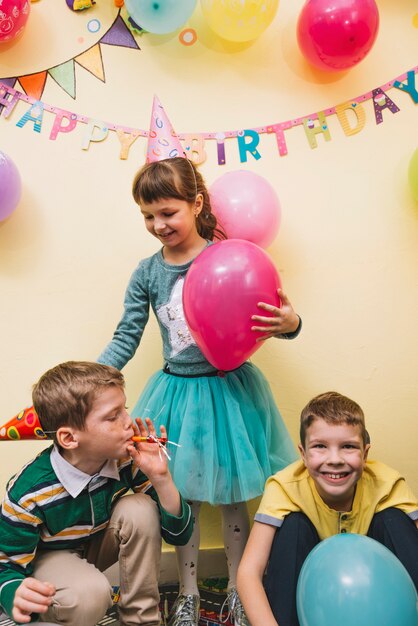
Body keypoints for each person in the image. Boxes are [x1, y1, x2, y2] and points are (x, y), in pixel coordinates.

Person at [97, 156, 302, 626]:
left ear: (197, 203)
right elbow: (127, 335)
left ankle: (237, 587)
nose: (158, 224)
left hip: (229, 394)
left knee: (234, 498)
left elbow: (271, 316)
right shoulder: (148, 272)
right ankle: (188, 592)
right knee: (179, 498)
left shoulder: (228, 256)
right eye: (148, 215)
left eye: (168, 212)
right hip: (176, 395)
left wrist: (291, 324)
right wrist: (90, 378)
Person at [0, 361, 193, 626]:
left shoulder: (127, 460)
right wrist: (13, 594)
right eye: (113, 416)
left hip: (93, 548)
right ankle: (55, 609)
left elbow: (179, 534)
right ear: (69, 439)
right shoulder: (29, 492)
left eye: (124, 409)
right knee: (90, 595)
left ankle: (142, 620)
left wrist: (161, 478)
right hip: (48, 563)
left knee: (140, 508)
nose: (129, 423)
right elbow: (5, 566)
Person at [236, 391, 418, 626]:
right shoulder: (284, 486)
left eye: (348, 447)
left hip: (374, 585)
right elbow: (248, 573)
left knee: (393, 519)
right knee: (293, 527)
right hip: (309, 590)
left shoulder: (387, 483)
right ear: (302, 454)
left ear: (365, 454)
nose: (335, 459)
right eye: (320, 446)